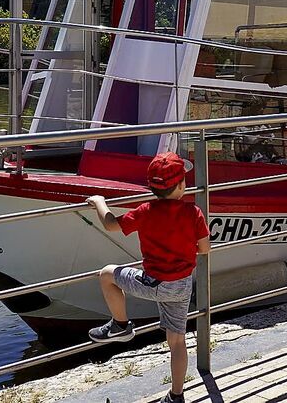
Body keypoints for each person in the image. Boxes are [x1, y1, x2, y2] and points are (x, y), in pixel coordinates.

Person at [85, 152, 210, 403]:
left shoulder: (145, 211)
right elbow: (205, 248)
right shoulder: (193, 212)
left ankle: (120, 325)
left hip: (154, 284)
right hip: (182, 284)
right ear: (182, 185)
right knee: (177, 341)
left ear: (151, 186)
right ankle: (176, 396)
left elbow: (111, 225)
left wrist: (100, 202)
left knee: (107, 274)